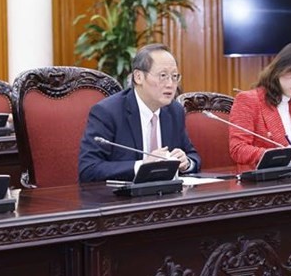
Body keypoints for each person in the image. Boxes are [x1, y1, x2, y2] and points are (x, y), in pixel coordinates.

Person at [78, 43, 201, 182]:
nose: (170, 84)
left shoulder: (174, 111)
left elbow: (193, 156)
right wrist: (141, 166)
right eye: (163, 75)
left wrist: (187, 163)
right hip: (123, 200)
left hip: (167, 197)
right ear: (138, 77)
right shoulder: (108, 112)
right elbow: (88, 169)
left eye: (174, 76)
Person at [229, 42, 291, 171]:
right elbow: (238, 149)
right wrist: (278, 156)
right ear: (279, 69)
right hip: (258, 184)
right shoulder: (248, 100)